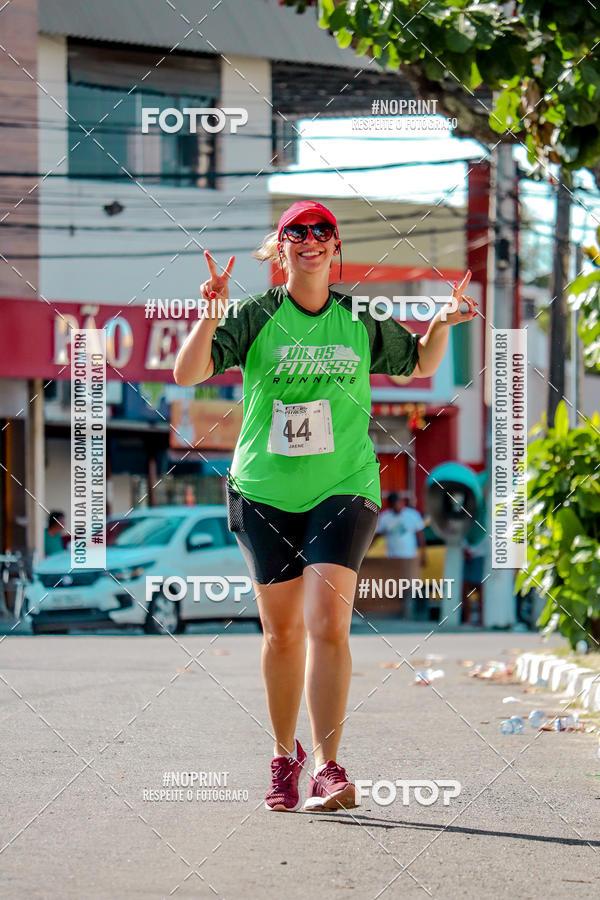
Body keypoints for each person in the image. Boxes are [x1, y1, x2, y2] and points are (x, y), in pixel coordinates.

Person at [173, 199, 477, 812]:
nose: (310, 239)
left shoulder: (360, 318)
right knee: (282, 634)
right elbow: (187, 373)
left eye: (322, 232)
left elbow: (419, 362)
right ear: (280, 247)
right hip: (264, 490)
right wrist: (209, 315)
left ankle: (328, 767)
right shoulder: (255, 315)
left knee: (328, 623)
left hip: (345, 484)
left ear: (336, 247)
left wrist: (444, 323)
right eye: (297, 232)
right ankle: (283, 758)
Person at [374, 492, 427, 618]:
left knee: (410, 585)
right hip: (393, 558)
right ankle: (397, 611)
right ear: (390, 505)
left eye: (398, 503)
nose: (397, 507)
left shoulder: (412, 515)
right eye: (394, 505)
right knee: (395, 586)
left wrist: (424, 555)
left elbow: (420, 536)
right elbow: (377, 536)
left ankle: (409, 612)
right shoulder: (385, 517)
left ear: (402, 503)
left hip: (409, 557)